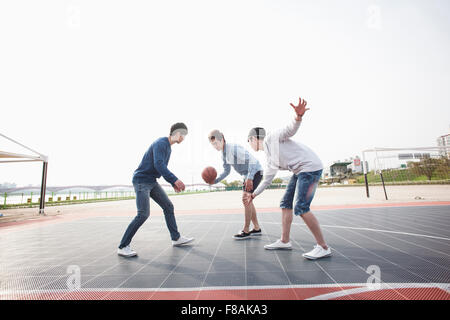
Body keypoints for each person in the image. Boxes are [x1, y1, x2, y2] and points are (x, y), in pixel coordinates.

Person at [243, 97, 331, 260]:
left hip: (310, 168)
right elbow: (267, 180)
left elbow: (290, 129)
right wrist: (253, 194)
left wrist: (298, 117)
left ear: (254, 138)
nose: (249, 144)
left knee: (301, 207)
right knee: (285, 204)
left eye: (249, 141)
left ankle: (323, 247)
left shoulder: (272, 137)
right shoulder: (270, 159)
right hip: (300, 171)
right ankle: (284, 241)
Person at [117, 123, 194, 257]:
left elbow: (160, 167)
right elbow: (159, 164)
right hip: (141, 180)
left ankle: (176, 238)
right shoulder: (160, 143)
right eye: (183, 135)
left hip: (151, 181)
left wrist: (172, 183)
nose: (184, 138)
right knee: (143, 214)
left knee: (168, 206)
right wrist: (175, 180)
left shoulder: (168, 148)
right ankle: (123, 246)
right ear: (177, 133)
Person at [208, 130, 263, 239]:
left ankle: (246, 230)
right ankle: (256, 228)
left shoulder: (232, 148)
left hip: (254, 172)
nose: (215, 146)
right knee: (248, 200)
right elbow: (226, 171)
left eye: (216, 143)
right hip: (248, 175)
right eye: (212, 144)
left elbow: (253, 161)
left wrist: (250, 178)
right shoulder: (224, 154)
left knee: (245, 199)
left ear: (222, 139)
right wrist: (215, 180)